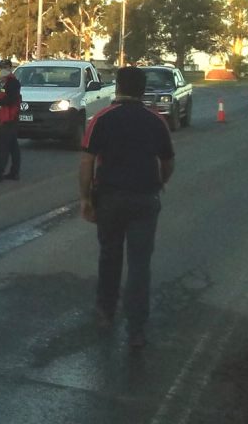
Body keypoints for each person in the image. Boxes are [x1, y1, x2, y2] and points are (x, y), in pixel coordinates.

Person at [78, 66, 175, 348]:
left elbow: (86, 162)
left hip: (109, 199)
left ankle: (106, 313)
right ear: (142, 90)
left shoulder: (101, 119)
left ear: (117, 87)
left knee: (110, 256)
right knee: (139, 265)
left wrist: (85, 199)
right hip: (145, 199)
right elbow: (168, 162)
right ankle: (136, 329)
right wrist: (159, 182)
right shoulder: (156, 121)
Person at [0, 58, 21, 183]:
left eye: (5, 68)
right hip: (7, 118)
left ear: (10, 68)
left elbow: (10, 100)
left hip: (9, 118)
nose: (3, 70)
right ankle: (14, 172)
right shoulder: (5, 82)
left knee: (4, 147)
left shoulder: (12, 83)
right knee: (13, 147)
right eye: (1, 68)